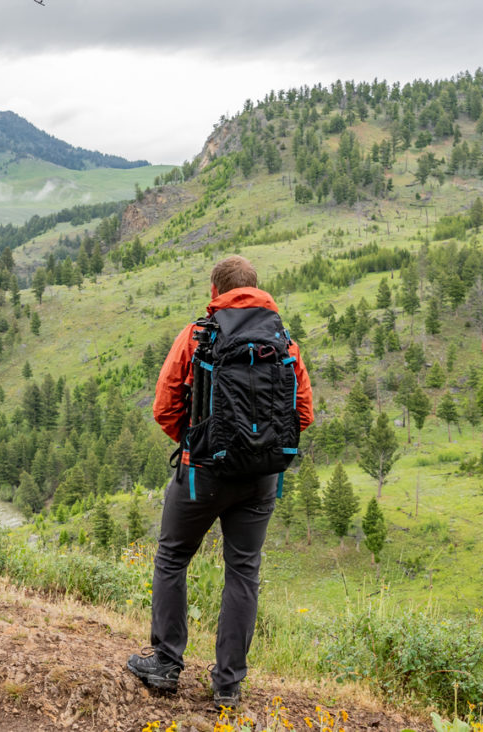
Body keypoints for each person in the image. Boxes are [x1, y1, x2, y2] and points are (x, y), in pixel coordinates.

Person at [126, 255, 313, 708]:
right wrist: (260, 450)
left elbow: (165, 407)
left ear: (215, 290)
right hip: (261, 479)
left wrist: (199, 445)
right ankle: (228, 684)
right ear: (256, 287)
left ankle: (167, 664)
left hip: (202, 475)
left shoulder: (197, 336)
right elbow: (302, 413)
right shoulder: (284, 342)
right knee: (243, 571)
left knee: (172, 557)